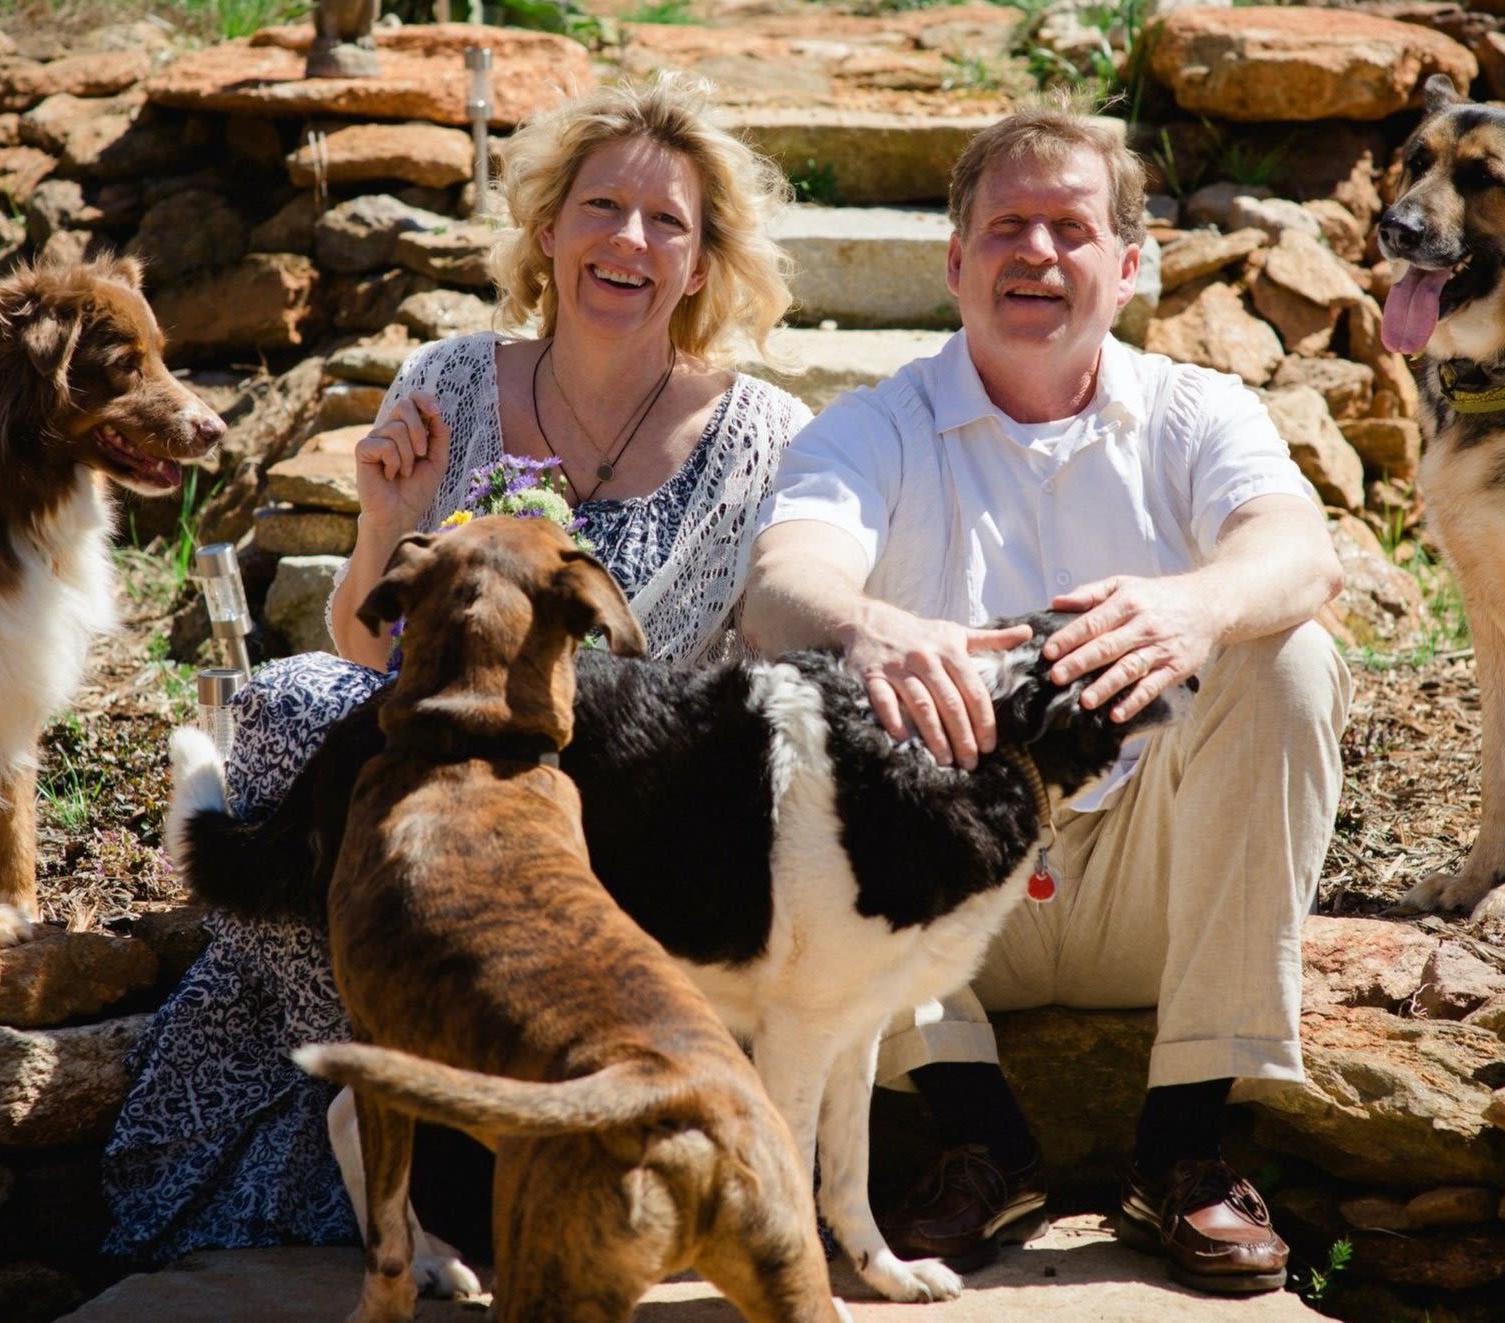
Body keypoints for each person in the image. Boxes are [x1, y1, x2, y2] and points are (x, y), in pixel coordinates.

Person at [104, 74, 809, 1265]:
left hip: (610, 828)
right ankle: (376, 1114)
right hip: (430, 814)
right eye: (601, 207)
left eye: (667, 222)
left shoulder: (772, 440)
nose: (628, 239)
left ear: (702, 265)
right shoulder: (447, 383)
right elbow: (365, 653)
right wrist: (386, 520)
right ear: (547, 231)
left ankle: (428, 1137)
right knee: (287, 706)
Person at [740, 96, 1352, 1296]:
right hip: (956, 916)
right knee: (817, 717)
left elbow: (1302, 550)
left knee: (1291, 651)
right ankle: (981, 1140)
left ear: (1128, 266)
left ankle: (1183, 1148)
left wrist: (1199, 607)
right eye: (1007, 226)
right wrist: (871, 629)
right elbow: (781, 584)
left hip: (1152, 888)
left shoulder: (1196, 411)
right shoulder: (873, 426)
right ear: (956, 260)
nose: (1037, 253)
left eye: (1070, 229)